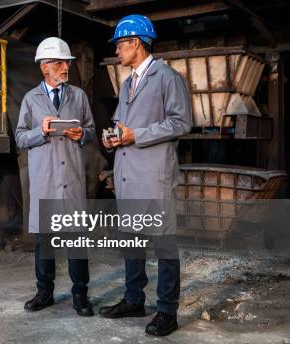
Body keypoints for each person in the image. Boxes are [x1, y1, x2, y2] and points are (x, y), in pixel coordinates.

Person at [100, 14, 192, 336]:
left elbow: (181, 123)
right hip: (127, 175)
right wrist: (111, 137)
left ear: (136, 42)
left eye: (120, 45)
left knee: (164, 244)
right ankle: (134, 299)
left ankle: (167, 311)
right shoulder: (127, 83)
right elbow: (121, 124)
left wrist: (134, 135)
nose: (117, 51)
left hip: (154, 176)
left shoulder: (167, 77)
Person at [15, 37, 96, 316]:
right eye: (60, 63)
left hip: (71, 180)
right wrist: (42, 131)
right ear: (44, 67)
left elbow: (91, 130)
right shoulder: (30, 99)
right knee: (44, 243)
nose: (66, 67)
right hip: (45, 182)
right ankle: (44, 293)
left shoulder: (79, 96)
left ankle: (80, 296)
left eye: (67, 62)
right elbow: (20, 137)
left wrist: (82, 134)